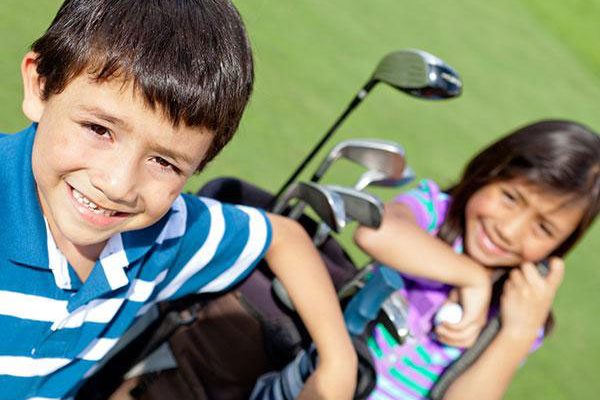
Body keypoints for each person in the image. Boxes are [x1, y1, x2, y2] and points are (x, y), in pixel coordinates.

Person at [0, 1, 357, 399]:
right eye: (99, 129)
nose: (119, 184)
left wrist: (338, 364)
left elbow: (283, 238)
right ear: (40, 86)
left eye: (164, 162)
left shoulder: (165, 235)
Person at [251, 119, 600, 400]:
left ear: (561, 246)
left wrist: (519, 332)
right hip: (320, 377)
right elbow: (376, 232)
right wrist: (471, 276)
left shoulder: (519, 308)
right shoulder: (435, 213)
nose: (510, 231)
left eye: (543, 227)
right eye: (510, 197)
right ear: (487, 172)